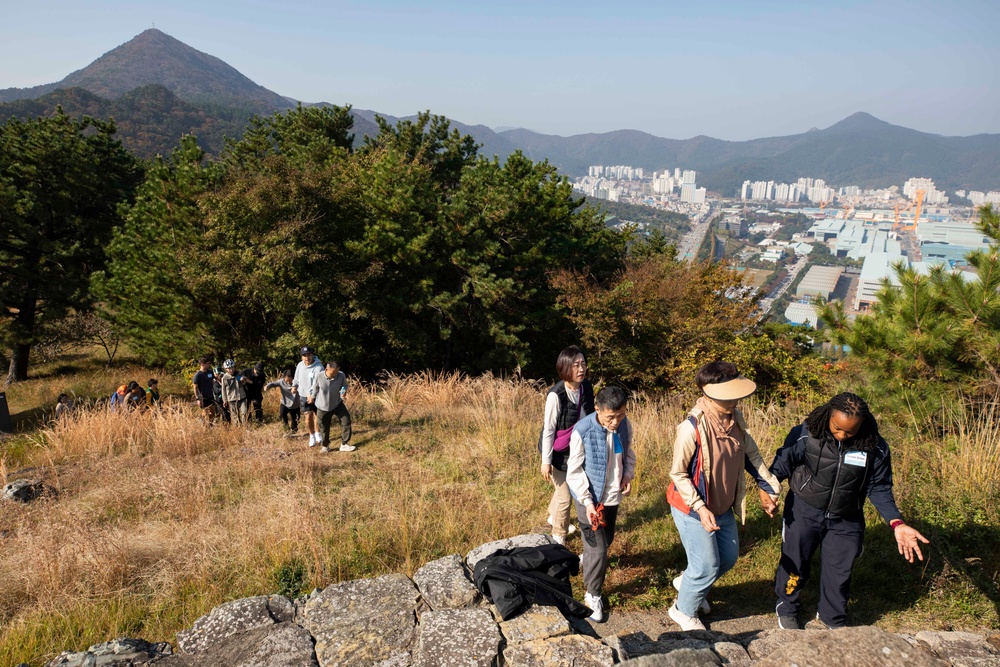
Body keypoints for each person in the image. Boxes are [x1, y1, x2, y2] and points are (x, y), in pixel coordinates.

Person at [769, 392, 929, 630]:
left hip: (846, 517)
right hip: (804, 510)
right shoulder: (806, 433)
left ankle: (832, 617)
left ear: (861, 425)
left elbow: (880, 487)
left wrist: (897, 522)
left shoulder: (875, 447)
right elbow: (782, 463)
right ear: (828, 416)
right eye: (837, 428)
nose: (842, 435)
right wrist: (770, 488)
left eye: (850, 431)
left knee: (840, 572)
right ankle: (788, 607)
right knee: (795, 565)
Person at [665, 361, 780, 631]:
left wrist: (771, 489)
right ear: (709, 393)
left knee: (727, 557)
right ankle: (683, 610)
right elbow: (678, 474)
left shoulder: (736, 422)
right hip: (691, 507)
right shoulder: (691, 427)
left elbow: (753, 459)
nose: (735, 399)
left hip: (723, 506)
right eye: (729, 394)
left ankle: (690, 583)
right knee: (706, 566)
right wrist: (699, 507)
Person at [566, 385, 636, 623]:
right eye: (610, 417)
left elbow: (628, 453)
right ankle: (592, 594)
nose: (616, 422)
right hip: (590, 500)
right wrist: (586, 501)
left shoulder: (625, 425)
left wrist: (627, 475)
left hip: (612, 496)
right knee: (599, 548)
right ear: (597, 409)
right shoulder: (583, 430)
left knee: (606, 539)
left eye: (621, 415)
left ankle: (588, 557)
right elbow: (573, 472)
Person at [539, 345, 594, 545]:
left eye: (583, 364)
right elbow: (549, 430)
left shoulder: (586, 387)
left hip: (577, 449)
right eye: (576, 365)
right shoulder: (556, 395)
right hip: (558, 452)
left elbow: (590, 416)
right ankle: (559, 538)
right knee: (565, 496)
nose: (581, 369)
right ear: (565, 368)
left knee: (563, 491)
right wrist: (546, 461)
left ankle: (554, 516)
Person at [309, 360, 354, 452]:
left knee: (346, 421)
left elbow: (344, 385)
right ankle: (326, 446)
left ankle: (344, 444)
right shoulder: (319, 376)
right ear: (326, 369)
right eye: (333, 373)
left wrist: (343, 391)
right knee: (324, 427)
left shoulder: (341, 375)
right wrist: (312, 397)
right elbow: (315, 388)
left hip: (337, 404)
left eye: (337, 372)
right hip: (322, 406)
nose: (335, 375)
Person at [292, 346, 324, 447]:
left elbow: (317, 383)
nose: (307, 357)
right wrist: (294, 386)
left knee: (317, 416)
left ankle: (318, 434)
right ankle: (312, 435)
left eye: (309, 355)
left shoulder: (318, 367)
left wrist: (311, 394)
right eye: (304, 355)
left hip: (317, 395)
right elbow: (296, 378)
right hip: (303, 395)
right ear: (302, 357)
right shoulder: (300, 365)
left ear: (312, 355)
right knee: (308, 416)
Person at [266, 369, 300, 436]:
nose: (288, 382)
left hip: (295, 404)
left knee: (295, 419)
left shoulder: (297, 383)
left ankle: (293, 431)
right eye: (286, 380)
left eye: (289, 380)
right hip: (284, 403)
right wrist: (267, 386)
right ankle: (286, 428)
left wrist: (296, 388)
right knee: (282, 414)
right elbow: (273, 383)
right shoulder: (281, 382)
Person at [219, 359, 248, 425]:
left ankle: (245, 426)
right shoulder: (225, 378)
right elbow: (223, 390)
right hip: (232, 398)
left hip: (241, 396)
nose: (231, 370)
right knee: (235, 415)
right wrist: (225, 400)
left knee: (244, 412)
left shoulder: (239, 373)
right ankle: (237, 427)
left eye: (232, 368)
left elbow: (244, 384)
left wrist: (243, 380)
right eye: (229, 368)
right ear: (226, 369)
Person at [192, 357, 219, 422]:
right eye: (208, 364)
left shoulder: (210, 372)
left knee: (212, 413)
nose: (209, 365)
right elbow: (195, 388)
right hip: (203, 398)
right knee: (205, 413)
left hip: (211, 396)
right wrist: (198, 399)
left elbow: (213, 380)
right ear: (202, 364)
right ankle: (202, 424)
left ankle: (211, 425)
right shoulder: (197, 375)